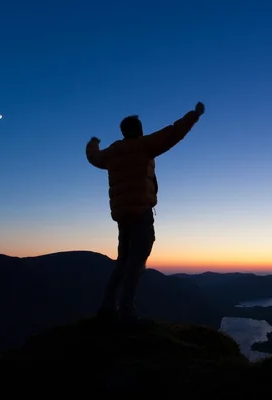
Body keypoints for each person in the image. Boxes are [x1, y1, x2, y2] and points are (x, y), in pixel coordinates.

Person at [85, 102, 205, 324]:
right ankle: (127, 311)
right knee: (137, 261)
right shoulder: (145, 145)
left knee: (123, 261)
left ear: (123, 131)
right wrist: (195, 114)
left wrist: (93, 142)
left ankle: (107, 306)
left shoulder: (112, 153)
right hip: (141, 210)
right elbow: (174, 132)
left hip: (121, 214)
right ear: (138, 130)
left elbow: (93, 157)